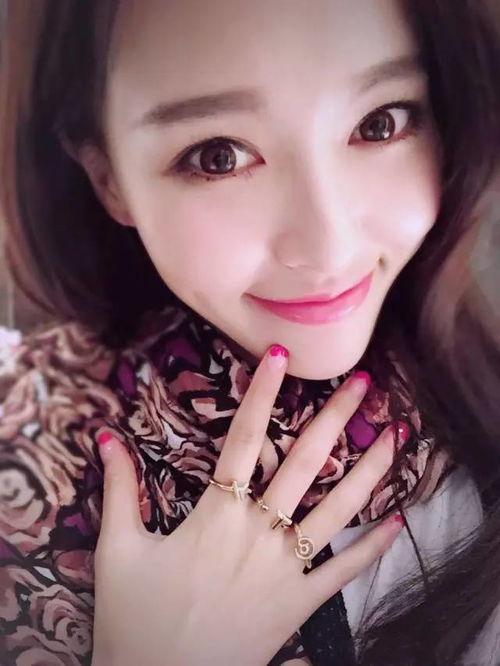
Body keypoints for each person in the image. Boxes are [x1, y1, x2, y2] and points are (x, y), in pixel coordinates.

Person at [0, 0, 499, 664]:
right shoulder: (28, 467)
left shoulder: (472, 377)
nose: (328, 249)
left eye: (380, 123)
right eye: (219, 156)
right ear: (109, 177)